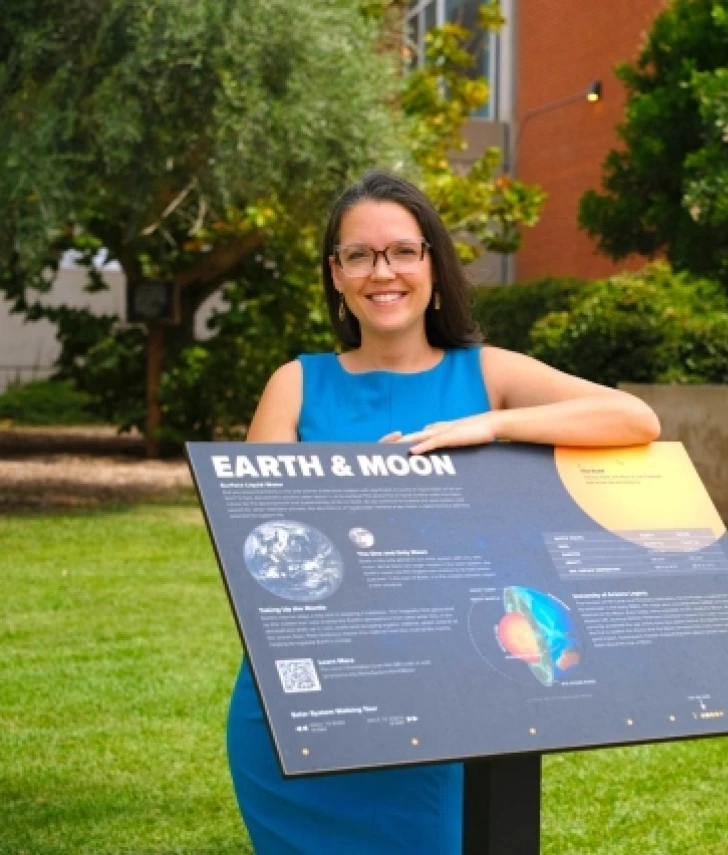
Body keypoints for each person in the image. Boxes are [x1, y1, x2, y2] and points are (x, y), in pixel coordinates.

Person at [228, 170, 660, 853]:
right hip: (303, 705)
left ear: (432, 262)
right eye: (360, 255)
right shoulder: (295, 383)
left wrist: (487, 426)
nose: (383, 271)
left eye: (403, 250)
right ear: (336, 274)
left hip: (437, 706)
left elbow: (635, 418)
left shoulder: (484, 373)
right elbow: (258, 550)